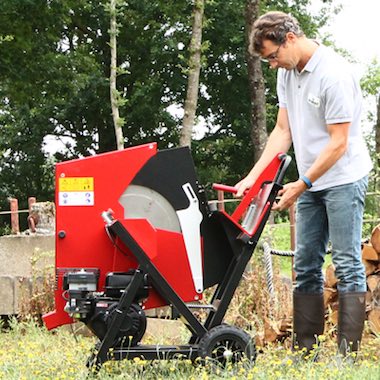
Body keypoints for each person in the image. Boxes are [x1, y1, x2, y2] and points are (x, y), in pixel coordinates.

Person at [235, 11, 373, 355]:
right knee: (306, 262)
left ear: (291, 38)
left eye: (272, 55)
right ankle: (305, 349)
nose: (271, 64)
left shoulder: (334, 75)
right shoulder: (288, 74)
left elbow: (339, 143)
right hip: (311, 181)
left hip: (343, 178)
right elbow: (283, 131)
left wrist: (302, 183)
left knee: (346, 262)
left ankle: (347, 354)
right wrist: (253, 177)